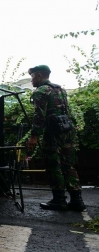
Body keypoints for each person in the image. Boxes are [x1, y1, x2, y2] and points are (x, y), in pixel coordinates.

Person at [26, 65, 86, 212]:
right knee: (68, 165)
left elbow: (39, 116)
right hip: (67, 130)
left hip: (52, 133)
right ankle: (77, 200)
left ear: (39, 75)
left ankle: (59, 200)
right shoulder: (60, 89)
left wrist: (34, 136)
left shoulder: (41, 91)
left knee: (53, 165)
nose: (31, 80)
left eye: (32, 76)